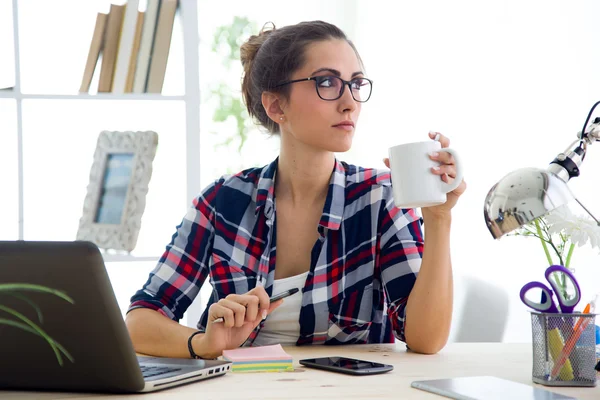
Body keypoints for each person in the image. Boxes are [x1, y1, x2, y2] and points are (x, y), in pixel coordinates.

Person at [125, 20, 466, 359]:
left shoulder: (381, 198)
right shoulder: (221, 202)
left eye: (356, 84)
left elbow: (425, 339)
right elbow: (140, 321)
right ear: (276, 106)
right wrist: (203, 343)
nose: (350, 102)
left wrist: (438, 217)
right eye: (327, 83)